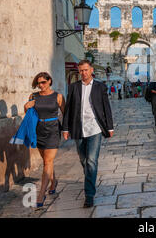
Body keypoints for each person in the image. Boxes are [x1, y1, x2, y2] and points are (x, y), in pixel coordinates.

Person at [62, 60, 114, 208]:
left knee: (91, 161)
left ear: (91, 70)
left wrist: (109, 127)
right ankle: (90, 179)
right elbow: (68, 109)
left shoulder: (100, 87)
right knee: (84, 160)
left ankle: (89, 194)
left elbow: (106, 107)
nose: (83, 73)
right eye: (81, 71)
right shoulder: (73, 87)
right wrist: (65, 128)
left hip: (95, 128)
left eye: (86, 70)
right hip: (78, 128)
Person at [24, 72, 65, 208]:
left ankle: (41, 193)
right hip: (38, 130)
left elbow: (65, 114)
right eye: (38, 83)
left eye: (43, 82)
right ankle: (53, 182)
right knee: (46, 161)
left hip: (53, 130)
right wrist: (26, 107)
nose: (41, 85)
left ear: (49, 81)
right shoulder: (33, 96)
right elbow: (29, 114)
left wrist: (66, 130)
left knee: (48, 161)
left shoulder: (58, 96)